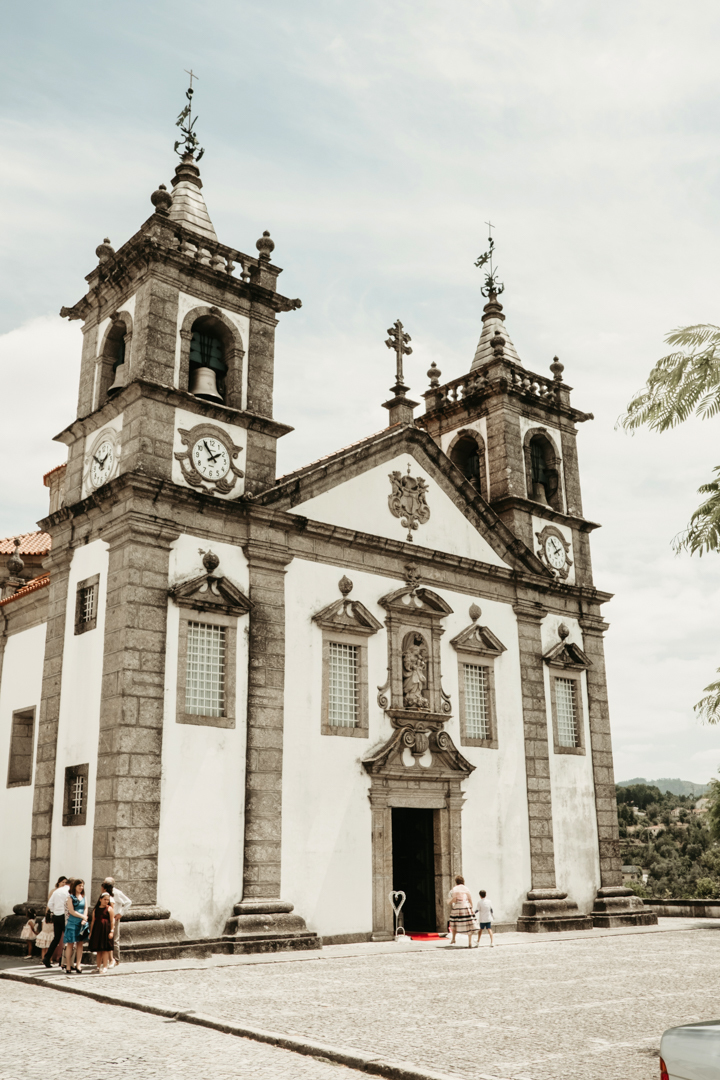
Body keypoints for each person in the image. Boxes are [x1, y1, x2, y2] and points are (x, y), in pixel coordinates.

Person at [101, 877, 131, 967]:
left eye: (105, 883)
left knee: (115, 939)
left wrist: (120, 913)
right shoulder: (105, 893)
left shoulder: (117, 893)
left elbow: (128, 902)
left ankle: (116, 959)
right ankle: (108, 959)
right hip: (106, 917)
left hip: (114, 917)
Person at [43, 876, 69, 969]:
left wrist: (55, 912)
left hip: (56, 916)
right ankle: (63, 960)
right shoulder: (68, 891)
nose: (64, 884)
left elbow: (50, 904)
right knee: (66, 938)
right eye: (63, 882)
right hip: (64, 916)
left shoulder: (56, 891)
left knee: (56, 938)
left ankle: (47, 957)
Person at [62, 879, 88, 973]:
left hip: (82, 923)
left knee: (80, 944)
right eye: (79, 885)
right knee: (70, 944)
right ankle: (68, 965)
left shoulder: (84, 896)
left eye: (82, 885)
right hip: (73, 922)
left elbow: (85, 908)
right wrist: (82, 916)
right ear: (75, 886)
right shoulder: (70, 897)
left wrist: (84, 919)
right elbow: (71, 911)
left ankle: (78, 965)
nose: (81, 887)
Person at [448, 875, 478, 948]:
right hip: (466, 906)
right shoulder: (466, 888)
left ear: (456, 882)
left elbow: (454, 899)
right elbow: (470, 899)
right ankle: (470, 943)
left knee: (454, 923)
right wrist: (471, 907)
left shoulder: (455, 889)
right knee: (469, 924)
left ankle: (453, 939)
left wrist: (449, 902)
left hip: (458, 907)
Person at [88, 892, 115, 974]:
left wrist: (112, 931)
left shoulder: (109, 909)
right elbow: (93, 921)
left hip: (105, 930)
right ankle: (98, 966)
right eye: (104, 899)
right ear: (100, 899)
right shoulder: (95, 910)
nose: (106, 901)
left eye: (107, 900)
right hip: (97, 930)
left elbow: (112, 920)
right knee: (98, 950)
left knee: (105, 949)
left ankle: (105, 966)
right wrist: (91, 932)